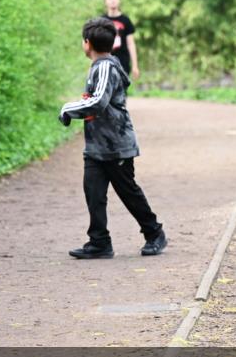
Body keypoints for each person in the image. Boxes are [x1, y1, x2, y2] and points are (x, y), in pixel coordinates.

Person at [59, 17, 166, 259]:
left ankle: (154, 233)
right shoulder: (99, 66)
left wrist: (68, 108)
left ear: (87, 43)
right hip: (97, 145)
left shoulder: (106, 67)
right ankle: (99, 242)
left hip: (117, 145)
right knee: (93, 192)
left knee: (128, 191)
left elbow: (98, 102)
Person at [102, 0, 140, 79]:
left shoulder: (126, 20)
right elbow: (96, 45)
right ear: (105, 2)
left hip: (123, 62)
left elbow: (131, 44)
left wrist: (135, 65)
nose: (112, 0)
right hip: (105, 61)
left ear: (119, 0)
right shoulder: (101, 21)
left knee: (121, 91)